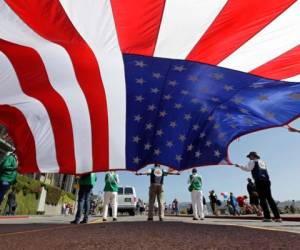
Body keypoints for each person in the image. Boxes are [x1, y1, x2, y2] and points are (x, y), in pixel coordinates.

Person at [235, 151, 281, 222]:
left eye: (250, 156)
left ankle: (267, 217)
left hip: (259, 181)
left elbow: (247, 169)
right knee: (270, 198)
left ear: (253, 156)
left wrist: (239, 166)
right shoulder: (262, 162)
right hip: (267, 181)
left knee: (262, 199)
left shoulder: (252, 162)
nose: (249, 158)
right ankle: (277, 217)